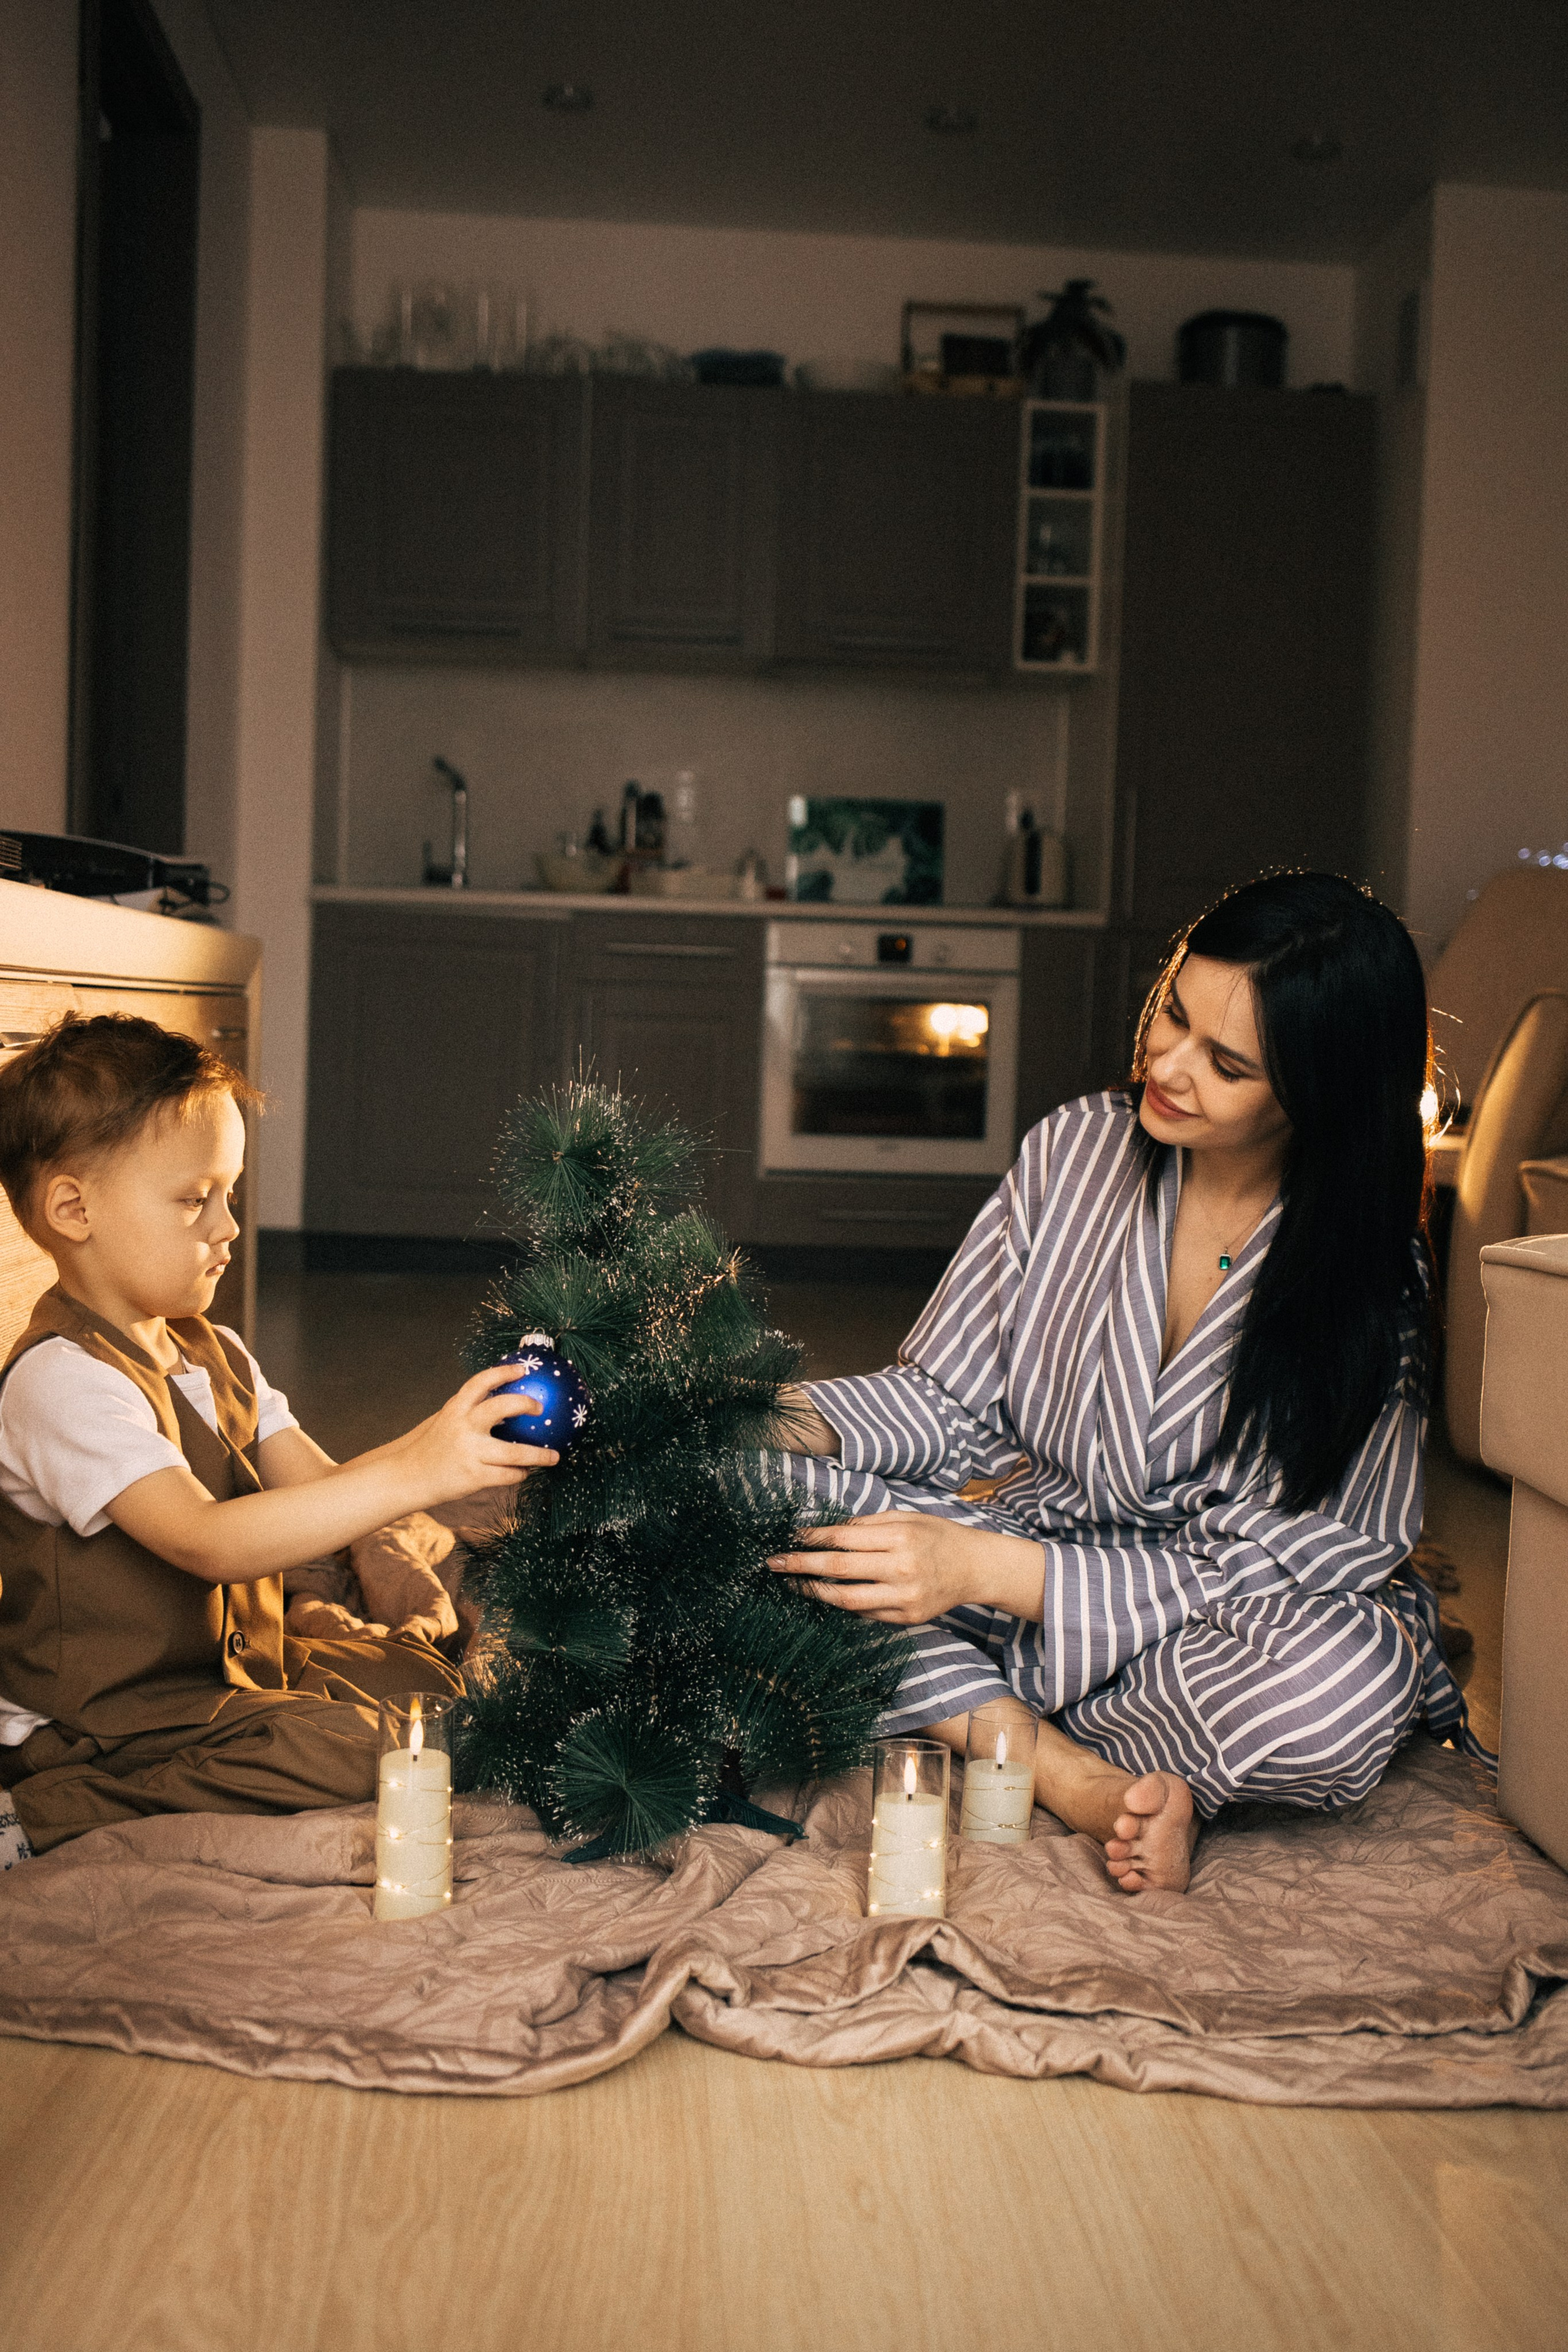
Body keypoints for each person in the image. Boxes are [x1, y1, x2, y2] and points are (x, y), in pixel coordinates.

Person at [767, 872, 1477, 1894]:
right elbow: (949, 1400)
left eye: (1225, 1063)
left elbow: (1305, 1557)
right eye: (1172, 1014)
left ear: (1316, 1094)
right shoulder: (1074, 1150)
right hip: (999, 1557)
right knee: (737, 1493)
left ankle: (963, 1709)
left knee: (1339, 1690)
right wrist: (776, 1418)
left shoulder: (1373, 1278)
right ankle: (1070, 1775)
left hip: (1189, 1628)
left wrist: (985, 1575)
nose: (1167, 1064)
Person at [0, 1014, 556, 1856]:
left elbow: (322, 1487)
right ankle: (48, 1814)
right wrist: (415, 1469)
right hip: (113, 1721)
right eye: (194, 1201)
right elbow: (206, 1543)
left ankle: (290, 1722)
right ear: (73, 1209)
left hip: (241, 1677)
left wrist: (463, 1473)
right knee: (371, 1758)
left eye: (231, 1194)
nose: (226, 1227)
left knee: (428, 1693)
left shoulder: (211, 1348)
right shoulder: (60, 1381)